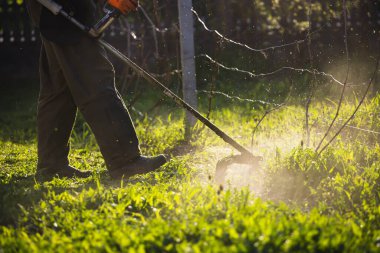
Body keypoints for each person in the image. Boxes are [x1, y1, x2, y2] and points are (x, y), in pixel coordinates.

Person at [25, 0, 167, 180]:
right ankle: (125, 160)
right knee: (96, 80)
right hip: (61, 8)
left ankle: (52, 165)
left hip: (50, 10)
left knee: (59, 90)